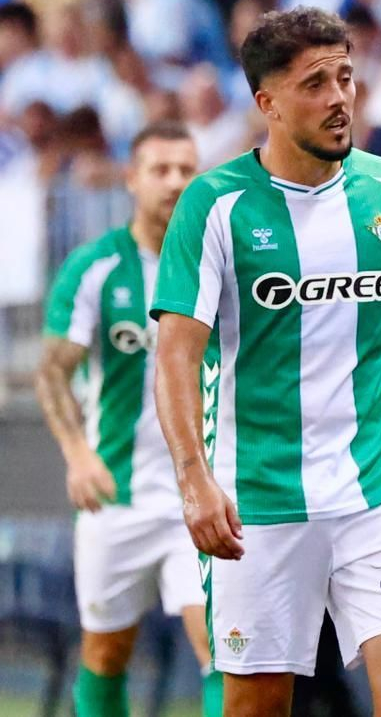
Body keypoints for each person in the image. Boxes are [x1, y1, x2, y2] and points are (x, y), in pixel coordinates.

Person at [150, 8, 381, 717]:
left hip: (372, 486)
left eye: (346, 78)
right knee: (257, 705)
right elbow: (175, 357)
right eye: (315, 84)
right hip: (258, 495)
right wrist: (194, 480)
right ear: (267, 103)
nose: (339, 98)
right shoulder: (215, 204)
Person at [33, 121, 221, 717]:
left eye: (186, 169)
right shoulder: (96, 267)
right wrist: (77, 456)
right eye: (160, 169)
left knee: (220, 647)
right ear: (131, 179)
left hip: (205, 495)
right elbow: (52, 371)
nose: (175, 181)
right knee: (106, 655)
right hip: (117, 494)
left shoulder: (222, 264)